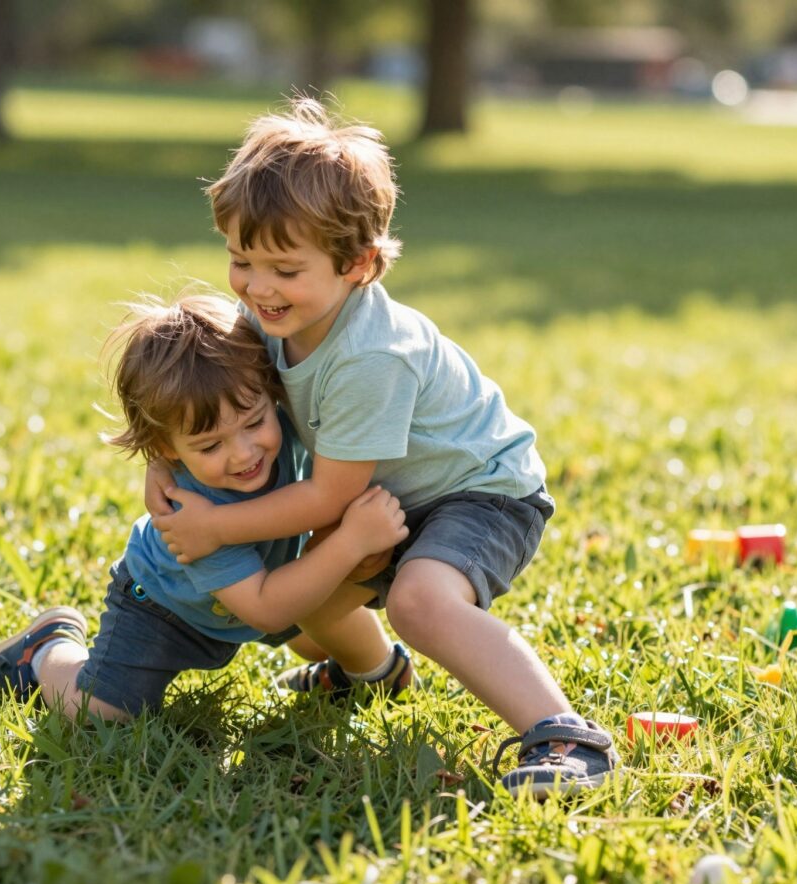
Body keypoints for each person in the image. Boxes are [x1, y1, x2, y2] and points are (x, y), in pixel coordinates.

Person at [148, 99, 618, 797]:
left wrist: (212, 525)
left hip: (480, 492)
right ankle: (372, 674)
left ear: (359, 264)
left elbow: (330, 494)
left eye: (284, 267)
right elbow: (203, 391)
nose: (257, 287)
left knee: (421, 602)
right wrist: (163, 460)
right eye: (241, 259)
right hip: (387, 496)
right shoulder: (267, 315)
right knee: (310, 604)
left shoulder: (372, 355)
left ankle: (565, 736)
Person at [0, 294, 413, 721]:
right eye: (210, 445)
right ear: (167, 447)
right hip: (166, 610)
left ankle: (377, 673)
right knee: (105, 711)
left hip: (269, 579)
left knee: (321, 619)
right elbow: (265, 607)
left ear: (271, 393)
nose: (243, 454)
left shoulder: (282, 421)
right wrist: (354, 541)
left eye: (254, 422)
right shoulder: (191, 516)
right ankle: (45, 650)